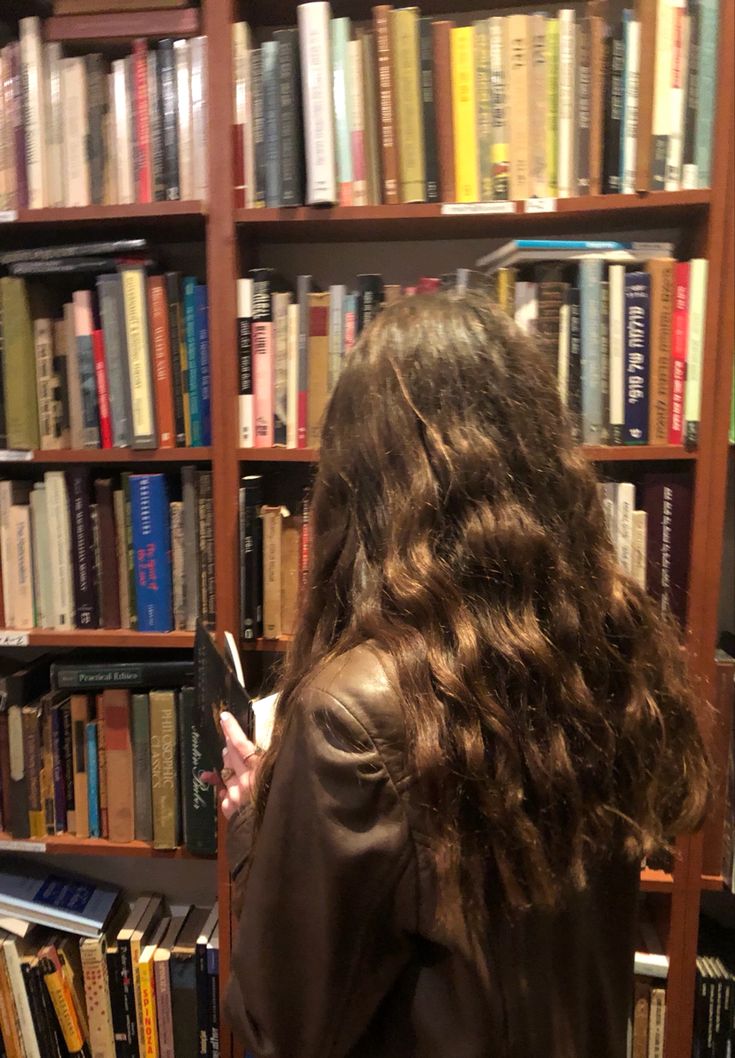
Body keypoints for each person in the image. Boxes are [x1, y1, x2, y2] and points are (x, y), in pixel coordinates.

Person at [215, 291, 709, 1058]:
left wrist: (254, 824)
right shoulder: (604, 653)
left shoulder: (352, 716)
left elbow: (282, 1029)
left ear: (360, 477)